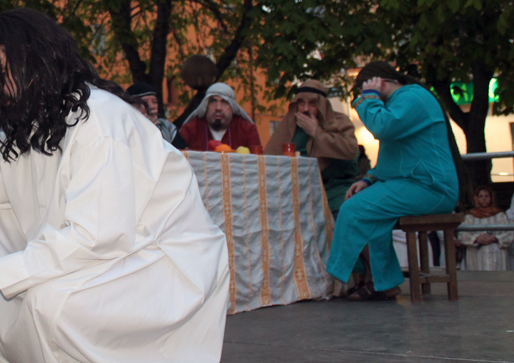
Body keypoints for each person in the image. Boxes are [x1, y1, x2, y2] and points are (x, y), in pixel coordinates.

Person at [0, 8, 229, 363]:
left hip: (159, 267)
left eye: (1, 73)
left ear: (37, 61)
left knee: (42, 298)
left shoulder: (102, 122)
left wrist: (0, 274)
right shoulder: (31, 124)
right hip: (103, 253)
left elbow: (97, 236)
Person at [325, 61, 463, 301]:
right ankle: (382, 283)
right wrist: (369, 179)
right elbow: (393, 155)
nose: (362, 98)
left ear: (380, 83)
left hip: (432, 188)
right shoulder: (401, 102)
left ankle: (361, 279)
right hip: (419, 185)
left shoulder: (412, 97)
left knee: (354, 209)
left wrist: (369, 98)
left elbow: (382, 128)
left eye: (363, 90)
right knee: (366, 208)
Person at [266, 79, 360, 215]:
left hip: (334, 188)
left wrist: (316, 132)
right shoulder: (289, 126)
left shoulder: (339, 122)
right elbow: (270, 157)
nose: (305, 109)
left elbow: (350, 152)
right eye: (301, 103)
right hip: (296, 190)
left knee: (344, 213)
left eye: (312, 104)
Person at [178, 82, 263, 152]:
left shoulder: (247, 129)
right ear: (206, 106)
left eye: (224, 102)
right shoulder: (190, 129)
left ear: (232, 107)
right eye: (213, 101)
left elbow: (257, 162)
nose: (218, 108)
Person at [457, 186, 512, 271]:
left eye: (486, 196)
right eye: (481, 196)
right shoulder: (470, 216)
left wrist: (495, 238)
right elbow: (462, 234)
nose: (484, 199)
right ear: (476, 198)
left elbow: (509, 233)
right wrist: (476, 238)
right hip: (477, 255)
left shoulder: (500, 215)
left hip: (496, 253)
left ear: (491, 198)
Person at [125, 82, 181, 146]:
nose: (152, 106)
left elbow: (183, 152)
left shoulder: (166, 127)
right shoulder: (125, 129)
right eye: (145, 103)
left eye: (154, 102)